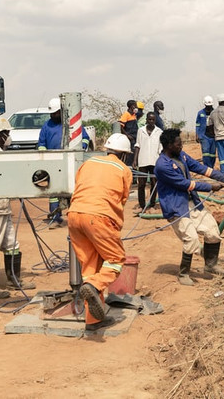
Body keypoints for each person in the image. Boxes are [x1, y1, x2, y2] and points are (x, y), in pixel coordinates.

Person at [154, 128, 224, 286]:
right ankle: (184, 273)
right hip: (176, 207)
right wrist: (210, 187)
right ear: (168, 146)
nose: (182, 146)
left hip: (192, 202)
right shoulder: (162, 166)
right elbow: (184, 183)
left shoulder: (181, 156)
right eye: (179, 144)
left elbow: (201, 168)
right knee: (191, 239)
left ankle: (211, 265)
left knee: (213, 231)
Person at [68, 133, 133, 331]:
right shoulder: (123, 169)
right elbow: (121, 200)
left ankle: (93, 321)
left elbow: (78, 186)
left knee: (90, 267)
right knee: (115, 260)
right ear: (124, 154)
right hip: (99, 217)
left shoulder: (89, 163)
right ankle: (95, 286)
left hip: (74, 215)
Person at [0, 116, 35, 299]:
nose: (9, 137)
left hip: (2, 207)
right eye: (7, 133)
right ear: (1, 134)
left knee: (12, 244)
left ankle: (14, 279)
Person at [38, 97, 91, 228]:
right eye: (51, 113)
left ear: (61, 111)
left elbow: (84, 138)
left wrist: (82, 147)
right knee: (54, 192)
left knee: (73, 190)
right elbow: (41, 144)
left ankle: (74, 219)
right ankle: (55, 218)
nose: (53, 115)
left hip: (71, 163)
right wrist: (45, 156)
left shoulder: (72, 123)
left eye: (55, 113)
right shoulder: (46, 126)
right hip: (53, 164)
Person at [133, 111, 163, 211]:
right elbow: (137, 145)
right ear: (146, 120)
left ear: (155, 120)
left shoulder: (159, 132)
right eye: (149, 119)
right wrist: (135, 160)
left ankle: (152, 203)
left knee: (154, 183)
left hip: (154, 161)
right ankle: (142, 205)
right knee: (141, 183)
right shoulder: (140, 131)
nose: (151, 121)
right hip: (143, 160)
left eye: (153, 120)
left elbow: (160, 148)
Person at [195, 95, 217, 168]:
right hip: (204, 135)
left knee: (212, 153)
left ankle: (211, 167)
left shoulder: (215, 113)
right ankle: (207, 167)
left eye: (210, 105)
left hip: (213, 135)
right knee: (206, 152)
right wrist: (197, 134)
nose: (209, 107)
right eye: (207, 105)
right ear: (204, 104)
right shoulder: (200, 113)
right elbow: (197, 124)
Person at [119, 100, 139, 166]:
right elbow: (121, 126)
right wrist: (127, 135)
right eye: (135, 106)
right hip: (129, 138)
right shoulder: (126, 114)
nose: (136, 107)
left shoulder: (134, 115)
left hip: (134, 137)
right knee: (129, 156)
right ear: (132, 106)